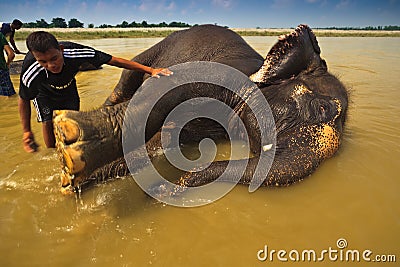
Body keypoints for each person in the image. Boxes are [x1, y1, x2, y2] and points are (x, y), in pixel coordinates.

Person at [18, 31, 172, 153]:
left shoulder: (76, 53)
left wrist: (150, 70)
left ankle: (69, 151)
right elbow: (23, 99)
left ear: (61, 50)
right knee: (47, 121)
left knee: (70, 120)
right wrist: (26, 132)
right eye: (43, 61)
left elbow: (114, 60)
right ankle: (52, 154)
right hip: (43, 92)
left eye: (54, 58)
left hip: (68, 85)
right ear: (36, 59)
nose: (51, 65)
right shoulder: (32, 72)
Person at [0, 32, 16, 97]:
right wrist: (7, 64)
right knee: (9, 95)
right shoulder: (0, 35)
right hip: (1, 68)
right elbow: (11, 54)